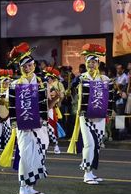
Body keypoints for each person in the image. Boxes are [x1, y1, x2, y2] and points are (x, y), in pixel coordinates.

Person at [0, 42, 50, 194]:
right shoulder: (15, 85)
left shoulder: (41, 82)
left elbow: (45, 103)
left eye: (30, 65)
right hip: (23, 126)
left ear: (34, 65)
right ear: (20, 68)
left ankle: (30, 186)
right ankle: (22, 188)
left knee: (39, 154)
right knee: (26, 155)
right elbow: (9, 104)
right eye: (24, 66)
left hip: (40, 125)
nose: (27, 68)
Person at [67, 44, 113, 185]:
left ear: (98, 63)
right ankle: (86, 173)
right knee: (89, 144)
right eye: (88, 62)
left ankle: (91, 172)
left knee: (97, 144)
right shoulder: (82, 77)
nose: (91, 64)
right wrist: (73, 84)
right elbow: (71, 89)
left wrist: (109, 112)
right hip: (85, 115)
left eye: (93, 62)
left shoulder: (104, 78)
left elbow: (109, 97)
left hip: (99, 116)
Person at [44, 66, 63, 154]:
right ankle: (44, 145)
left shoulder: (55, 87)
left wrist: (56, 96)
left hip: (51, 109)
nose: (48, 79)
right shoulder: (42, 85)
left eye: (50, 78)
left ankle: (56, 145)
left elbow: (59, 96)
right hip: (41, 108)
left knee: (51, 128)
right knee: (42, 128)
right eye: (47, 77)